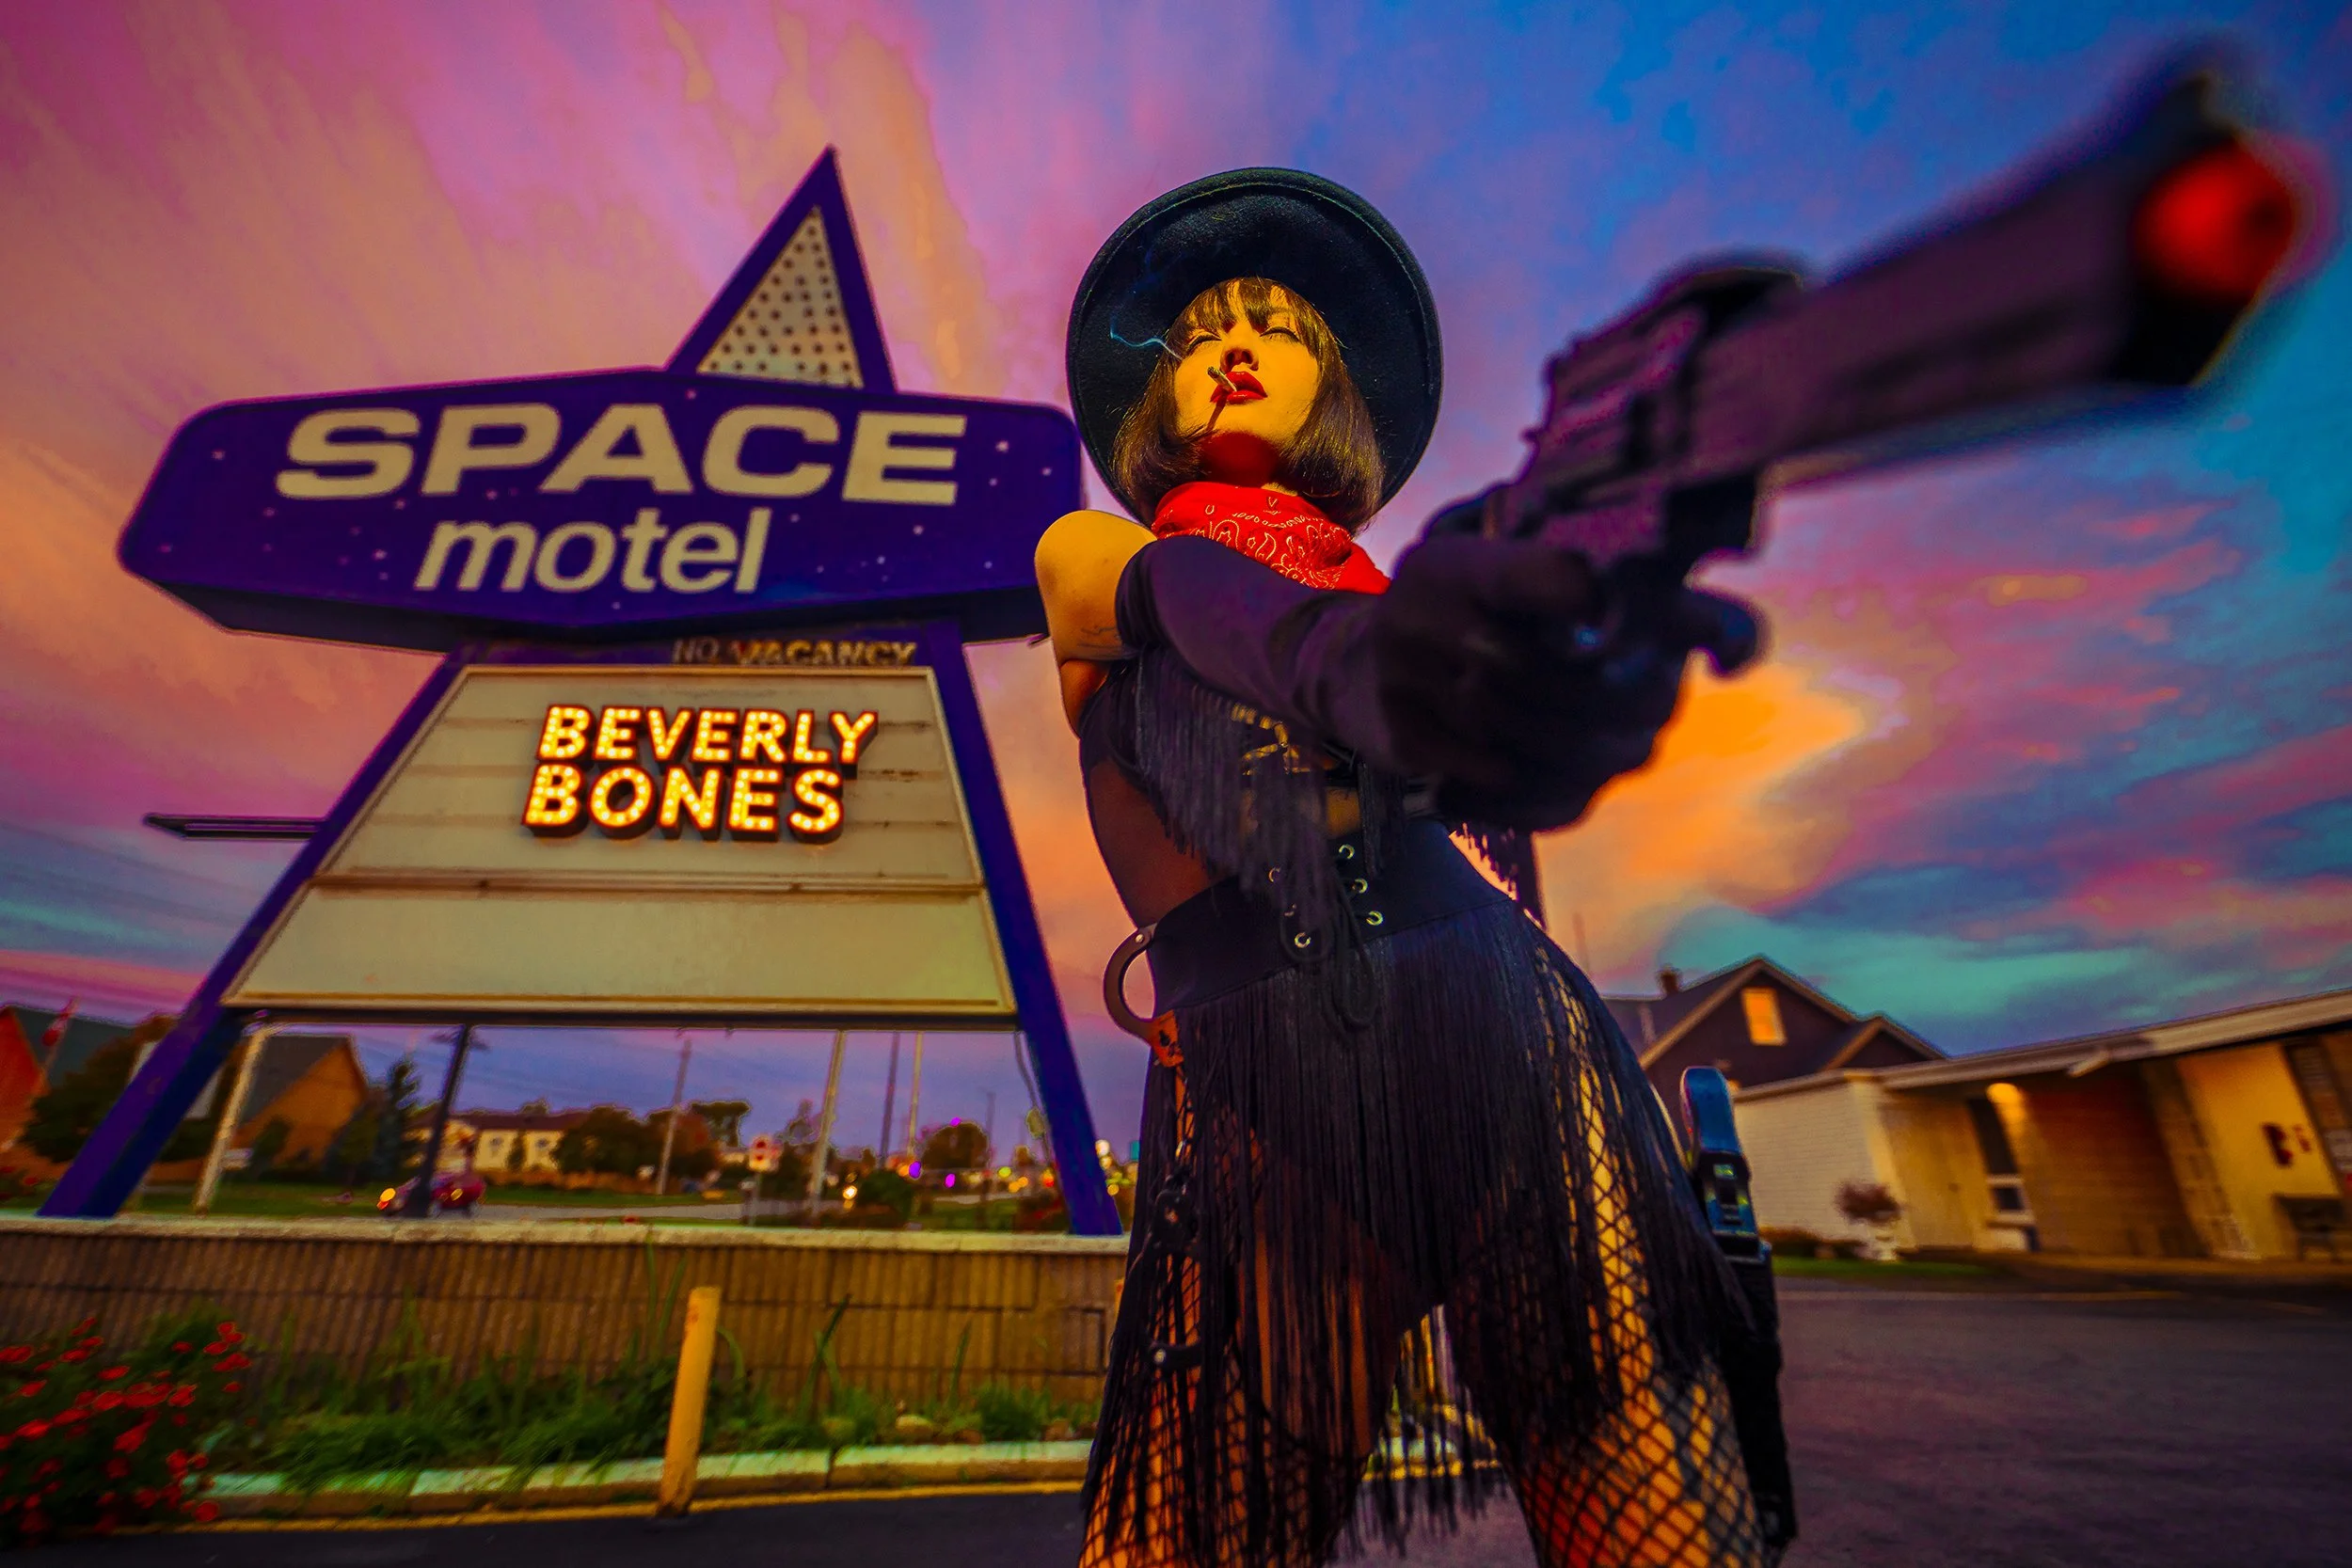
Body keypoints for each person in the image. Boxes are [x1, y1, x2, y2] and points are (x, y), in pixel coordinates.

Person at [1039, 170, 1773, 1568]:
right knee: (1182, 1540)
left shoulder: (1422, 594)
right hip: (1268, 1093)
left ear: (1332, 392)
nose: (1237, 346)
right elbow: (1183, 611)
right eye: (1202, 334)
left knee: (1671, 1530)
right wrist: (1349, 665)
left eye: (1279, 328)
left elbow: (1502, 828)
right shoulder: (1100, 557)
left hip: (1516, 1056)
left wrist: (1566, 640)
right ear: (1165, 395)